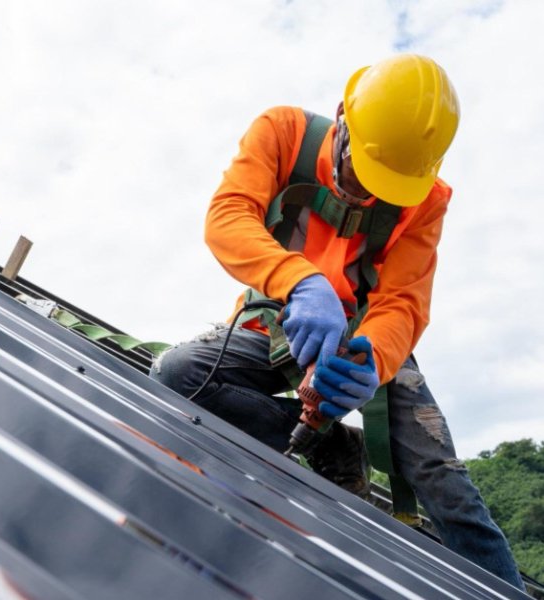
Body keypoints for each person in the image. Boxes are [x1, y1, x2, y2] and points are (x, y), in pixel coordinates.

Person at [150, 54, 524, 589]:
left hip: (365, 343)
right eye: (360, 174)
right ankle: (331, 446)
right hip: (281, 317)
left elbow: (404, 301)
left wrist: (373, 357)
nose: (365, 193)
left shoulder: (427, 200)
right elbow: (228, 216)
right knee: (179, 374)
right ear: (342, 118)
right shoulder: (284, 133)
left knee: (441, 481)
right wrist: (299, 281)